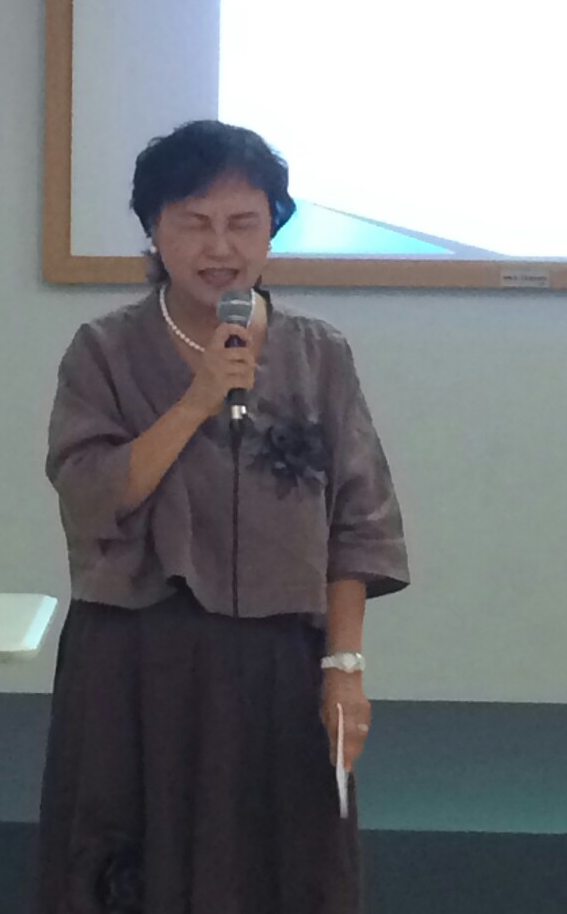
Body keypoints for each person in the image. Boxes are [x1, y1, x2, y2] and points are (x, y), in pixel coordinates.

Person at [36, 120, 409, 914]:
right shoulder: (104, 351)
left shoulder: (319, 356)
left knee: (281, 873)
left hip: (280, 665)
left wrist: (345, 669)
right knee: (128, 875)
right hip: (136, 661)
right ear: (153, 229)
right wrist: (197, 399)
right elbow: (91, 496)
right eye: (194, 222)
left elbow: (358, 523)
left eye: (244, 222)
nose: (220, 247)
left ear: (272, 230)